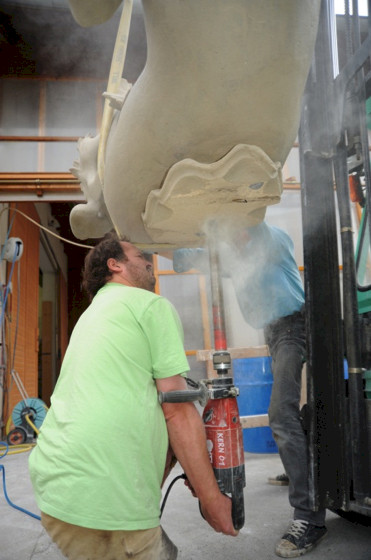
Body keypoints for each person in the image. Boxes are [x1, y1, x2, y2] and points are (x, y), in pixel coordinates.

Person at [29, 231, 237, 560]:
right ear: (116, 265)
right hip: (105, 498)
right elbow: (177, 411)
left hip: (56, 486)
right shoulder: (149, 305)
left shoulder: (92, 315)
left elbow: (137, 404)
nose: (149, 260)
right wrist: (212, 500)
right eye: (139, 255)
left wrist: (177, 460)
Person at [173, 221, 327, 558]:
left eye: (228, 228)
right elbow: (183, 256)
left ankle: (309, 516)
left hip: (295, 325)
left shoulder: (270, 239)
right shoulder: (231, 254)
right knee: (289, 412)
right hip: (274, 332)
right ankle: (299, 470)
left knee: (280, 414)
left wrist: (225, 222)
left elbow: (251, 225)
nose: (227, 235)